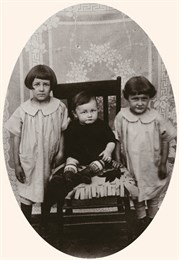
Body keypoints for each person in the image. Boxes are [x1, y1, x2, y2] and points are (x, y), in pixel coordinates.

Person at [42, 90, 121, 237]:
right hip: (77, 158)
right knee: (71, 161)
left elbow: (111, 140)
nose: (90, 114)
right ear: (75, 113)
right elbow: (65, 146)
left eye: (93, 110)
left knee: (100, 163)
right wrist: (66, 159)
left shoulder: (101, 125)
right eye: (84, 112)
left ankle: (78, 176)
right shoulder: (72, 127)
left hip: (97, 158)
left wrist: (108, 152)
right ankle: (70, 174)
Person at [5, 64, 68, 224]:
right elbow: (15, 137)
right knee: (27, 192)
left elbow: (62, 132)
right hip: (29, 160)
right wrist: (17, 164)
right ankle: (25, 225)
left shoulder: (59, 107)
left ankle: (45, 225)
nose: (41, 89)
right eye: (37, 84)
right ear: (31, 86)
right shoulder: (23, 110)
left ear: (51, 86)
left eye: (45, 84)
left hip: (50, 157)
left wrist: (60, 152)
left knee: (48, 190)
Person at [114, 76, 176, 235]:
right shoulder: (122, 116)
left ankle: (153, 220)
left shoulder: (156, 117)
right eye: (135, 99)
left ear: (150, 99)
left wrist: (162, 163)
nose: (140, 103)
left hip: (153, 164)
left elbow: (165, 140)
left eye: (144, 99)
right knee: (137, 193)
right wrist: (118, 160)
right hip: (133, 164)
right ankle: (141, 220)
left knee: (153, 192)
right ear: (126, 97)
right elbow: (118, 139)